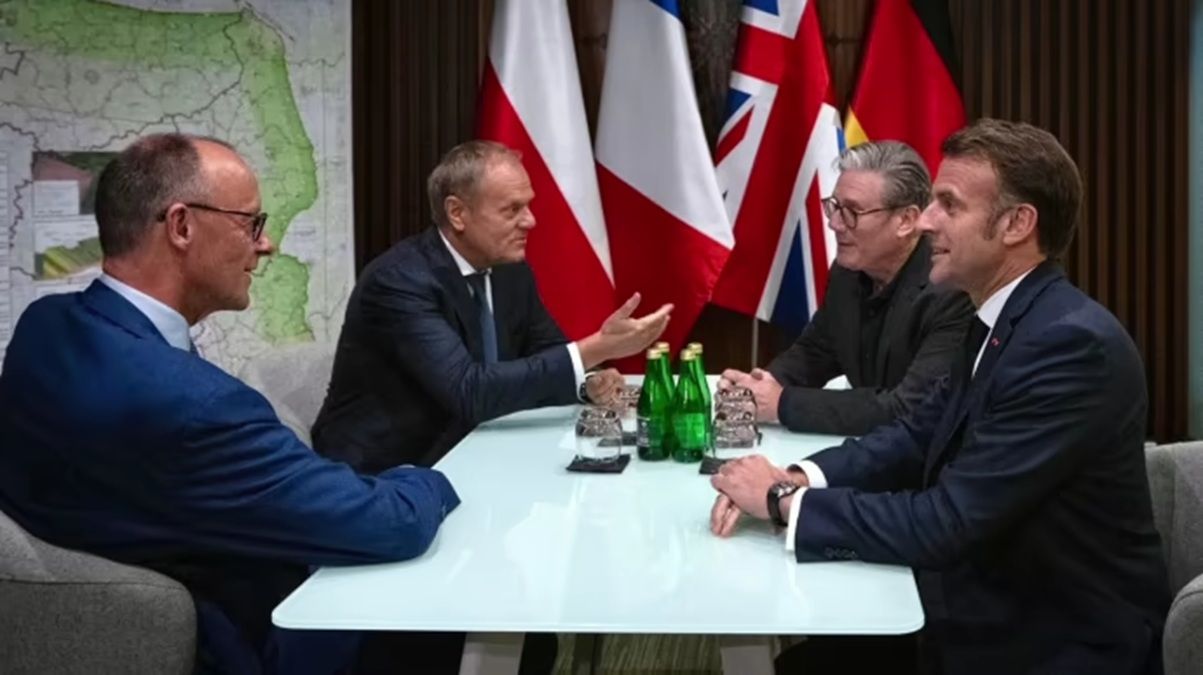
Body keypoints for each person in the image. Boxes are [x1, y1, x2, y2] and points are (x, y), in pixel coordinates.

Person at [710, 120, 1170, 675]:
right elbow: (916, 433)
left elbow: (948, 521)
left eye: (948, 205)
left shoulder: (1068, 345)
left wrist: (783, 501)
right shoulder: (1000, 317)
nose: (926, 221)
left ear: (1017, 224)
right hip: (981, 598)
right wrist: (802, 475)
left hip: (1048, 638)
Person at [0, 133, 462, 674]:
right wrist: (427, 478)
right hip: (256, 640)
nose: (266, 246)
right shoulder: (194, 406)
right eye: (251, 223)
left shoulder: (45, 325)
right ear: (181, 226)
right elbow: (393, 523)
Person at [313, 140, 671, 471]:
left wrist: (587, 382)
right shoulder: (399, 281)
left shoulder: (510, 271)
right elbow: (468, 391)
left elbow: (546, 350)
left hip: (479, 451)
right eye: (512, 209)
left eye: (528, 205)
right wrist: (596, 348)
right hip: (385, 472)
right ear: (457, 213)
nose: (531, 220)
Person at [720, 141, 972, 436]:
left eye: (852, 211)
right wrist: (759, 386)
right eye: (835, 207)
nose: (835, 224)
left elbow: (910, 408)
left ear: (905, 221)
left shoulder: (951, 289)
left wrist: (781, 403)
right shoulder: (846, 273)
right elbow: (816, 351)